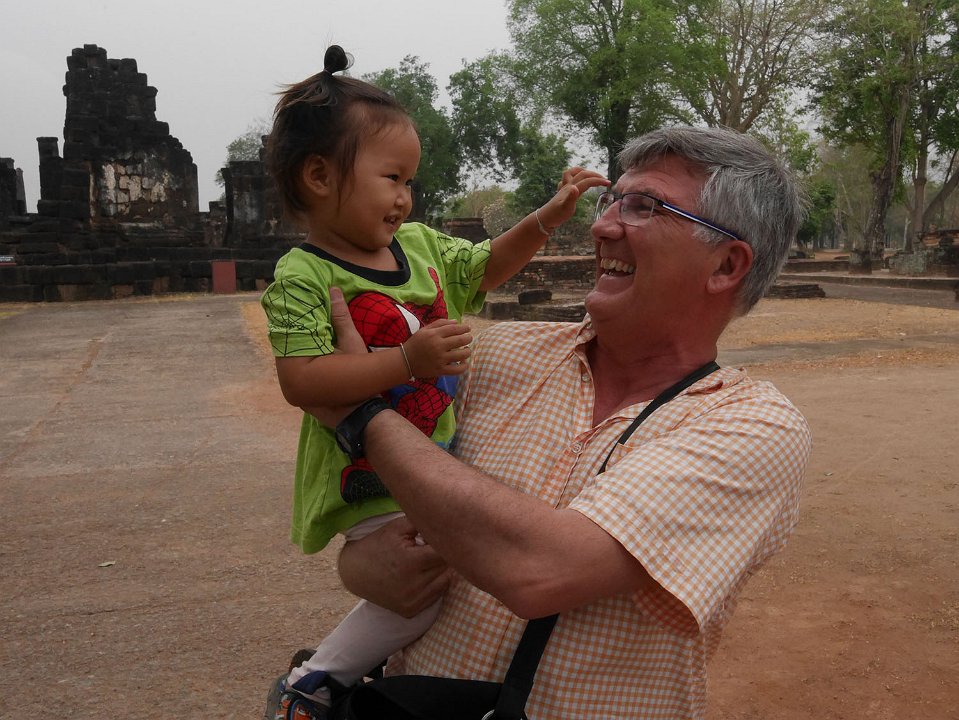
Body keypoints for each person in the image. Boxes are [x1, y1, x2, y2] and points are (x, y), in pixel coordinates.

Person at [317, 125, 813, 719]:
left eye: (644, 207)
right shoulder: (497, 356)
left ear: (726, 264)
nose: (602, 227)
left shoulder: (752, 427)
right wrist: (360, 566)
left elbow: (538, 571)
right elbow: (388, 508)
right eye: (612, 201)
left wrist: (359, 410)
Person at [258, 44, 606, 720]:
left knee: (437, 574)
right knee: (423, 585)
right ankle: (314, 683)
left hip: (431, 454)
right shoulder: (304, 276)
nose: (404, 196)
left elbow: (484, 267)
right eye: (391, 177)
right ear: (320, 176)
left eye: (409, 181)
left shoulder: (418, 249)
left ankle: (346, 667)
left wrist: (546, 218)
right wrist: (404, 363)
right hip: (364, 470)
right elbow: (301, 380)